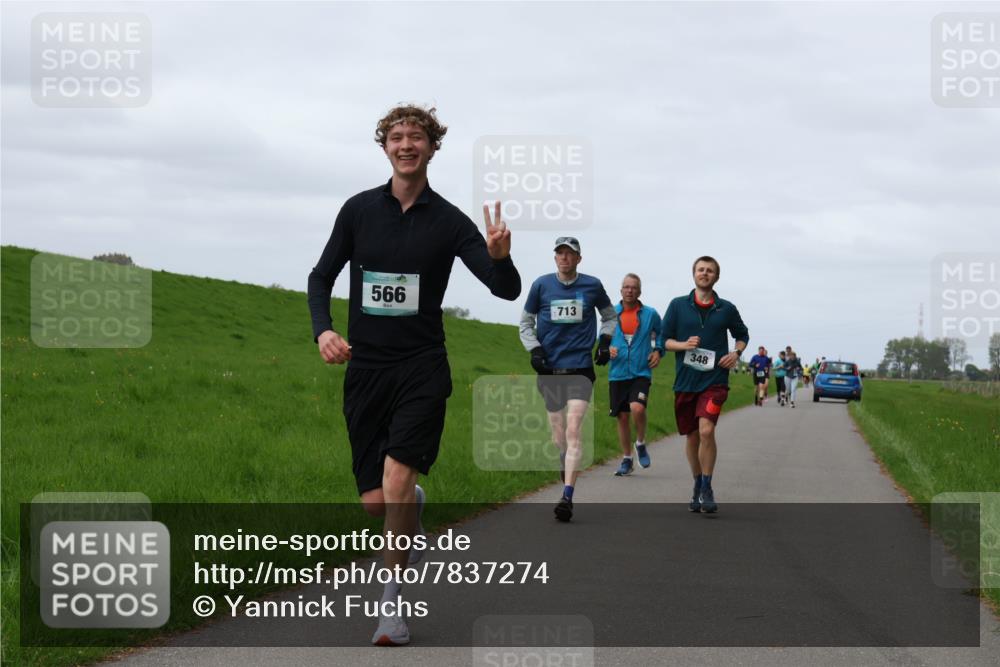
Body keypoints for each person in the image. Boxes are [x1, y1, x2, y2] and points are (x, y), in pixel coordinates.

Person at [307, 104, 521, 646]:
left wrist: (500, 258)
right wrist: (323, 330)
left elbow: (505, 290)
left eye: (417, 136)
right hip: (366, 370)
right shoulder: (358, 210)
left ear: (431, 147)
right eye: (397, 136)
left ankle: (391, 609)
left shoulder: (449, 221)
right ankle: (414, 509)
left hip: (421, 367)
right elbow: (320, 276)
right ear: (385, 147)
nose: (407, 144)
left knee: (397, 480)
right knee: (377, 503)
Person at [520, 237, 616, 522]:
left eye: (569, 254)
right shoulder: (541, 285)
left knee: (574, 429)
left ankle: (567, 496)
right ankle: (565, 460)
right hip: (550, 369)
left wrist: (604, 341)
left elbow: (610, 317)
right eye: (560, 253)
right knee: (558, 434)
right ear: (555, 258)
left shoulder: (592, 285)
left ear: (578, 259)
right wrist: (535, 350)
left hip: (580, 368)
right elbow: (525, 322)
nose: (564, 258)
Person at [662, 256, 749, 514]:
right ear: (694, 274)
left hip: (715, 381)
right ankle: (697, 483)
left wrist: (736, 353)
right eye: (701, 269)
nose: (705, 273)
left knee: (706, 431)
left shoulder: (726, 308)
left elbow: (742, 335)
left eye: (710, 270)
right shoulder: (677, 305)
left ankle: (708, 487)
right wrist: (684, 345)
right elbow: (664, 341)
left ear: (716, 277)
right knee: (692, 435)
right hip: (686, 381)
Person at [607, 273, 665, 476]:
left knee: (637, 408)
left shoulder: (650, 314)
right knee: (622, 417)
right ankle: (627, 459)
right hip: (618, 372)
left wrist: (658, 351)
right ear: (621, 290)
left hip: (641, 371)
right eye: (626, 287)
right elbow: (603, 337)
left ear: (639, 291)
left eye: (633, 287)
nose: (629, 290)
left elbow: (662, 334)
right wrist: (608, 349)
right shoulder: (611, 313)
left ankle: (640, 443)